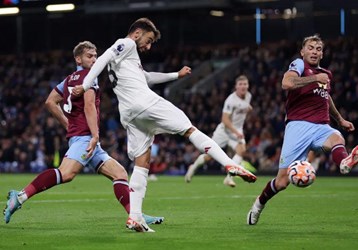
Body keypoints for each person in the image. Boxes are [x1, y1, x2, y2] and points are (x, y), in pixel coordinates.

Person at [72, 17, 257, 233]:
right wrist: (85, 85)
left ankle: (135, 217)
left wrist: (175, 75)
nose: (148, 46)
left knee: (143, 160)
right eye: (148, 40)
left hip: (129, 113)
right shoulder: (127, 43)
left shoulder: (128, 59)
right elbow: (103, 58)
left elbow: (147, 77)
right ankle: (229, 164)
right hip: (144, 102)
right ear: (138, 33)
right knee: (189, 129)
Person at [3, 41, 163, 227]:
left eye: (96, 56)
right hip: (86, 138)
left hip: (82, 136)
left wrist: (68, 125)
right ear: (78, 58)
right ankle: (20, 196)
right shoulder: (89, 77)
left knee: (119, 173)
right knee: (66, 173)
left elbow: (50, 101)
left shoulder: (69, 79)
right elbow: (88, 106)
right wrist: (94, 136)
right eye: (89, 56)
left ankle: (135, 216)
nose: (94, 59)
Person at [247, 34, 358, 225]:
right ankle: (258, 204)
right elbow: (287, 83)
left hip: (322, 125)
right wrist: (315, 78)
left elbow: (325, 97)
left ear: (322, 53)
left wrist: (339, 119)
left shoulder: (326, 74)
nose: (315, 51)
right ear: (303, 51)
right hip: (298, 126)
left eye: (318, 49)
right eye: (311, 48)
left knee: (337, 138)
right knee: (281, 182)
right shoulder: (299, 65)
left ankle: (343, 163)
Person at [185, 75, 254, 187]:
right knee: (209, 156)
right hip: (224, 131)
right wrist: (236, 132)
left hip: (237, 131)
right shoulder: (231, 100)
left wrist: (248, 109)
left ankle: (229, 178)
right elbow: (225, 119)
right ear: (236, 86)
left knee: (241, 151)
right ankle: (193, 167)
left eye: (245, 84)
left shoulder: (248, 96)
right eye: (240, 84)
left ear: (248, 85)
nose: (243, 86)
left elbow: (244, 108)